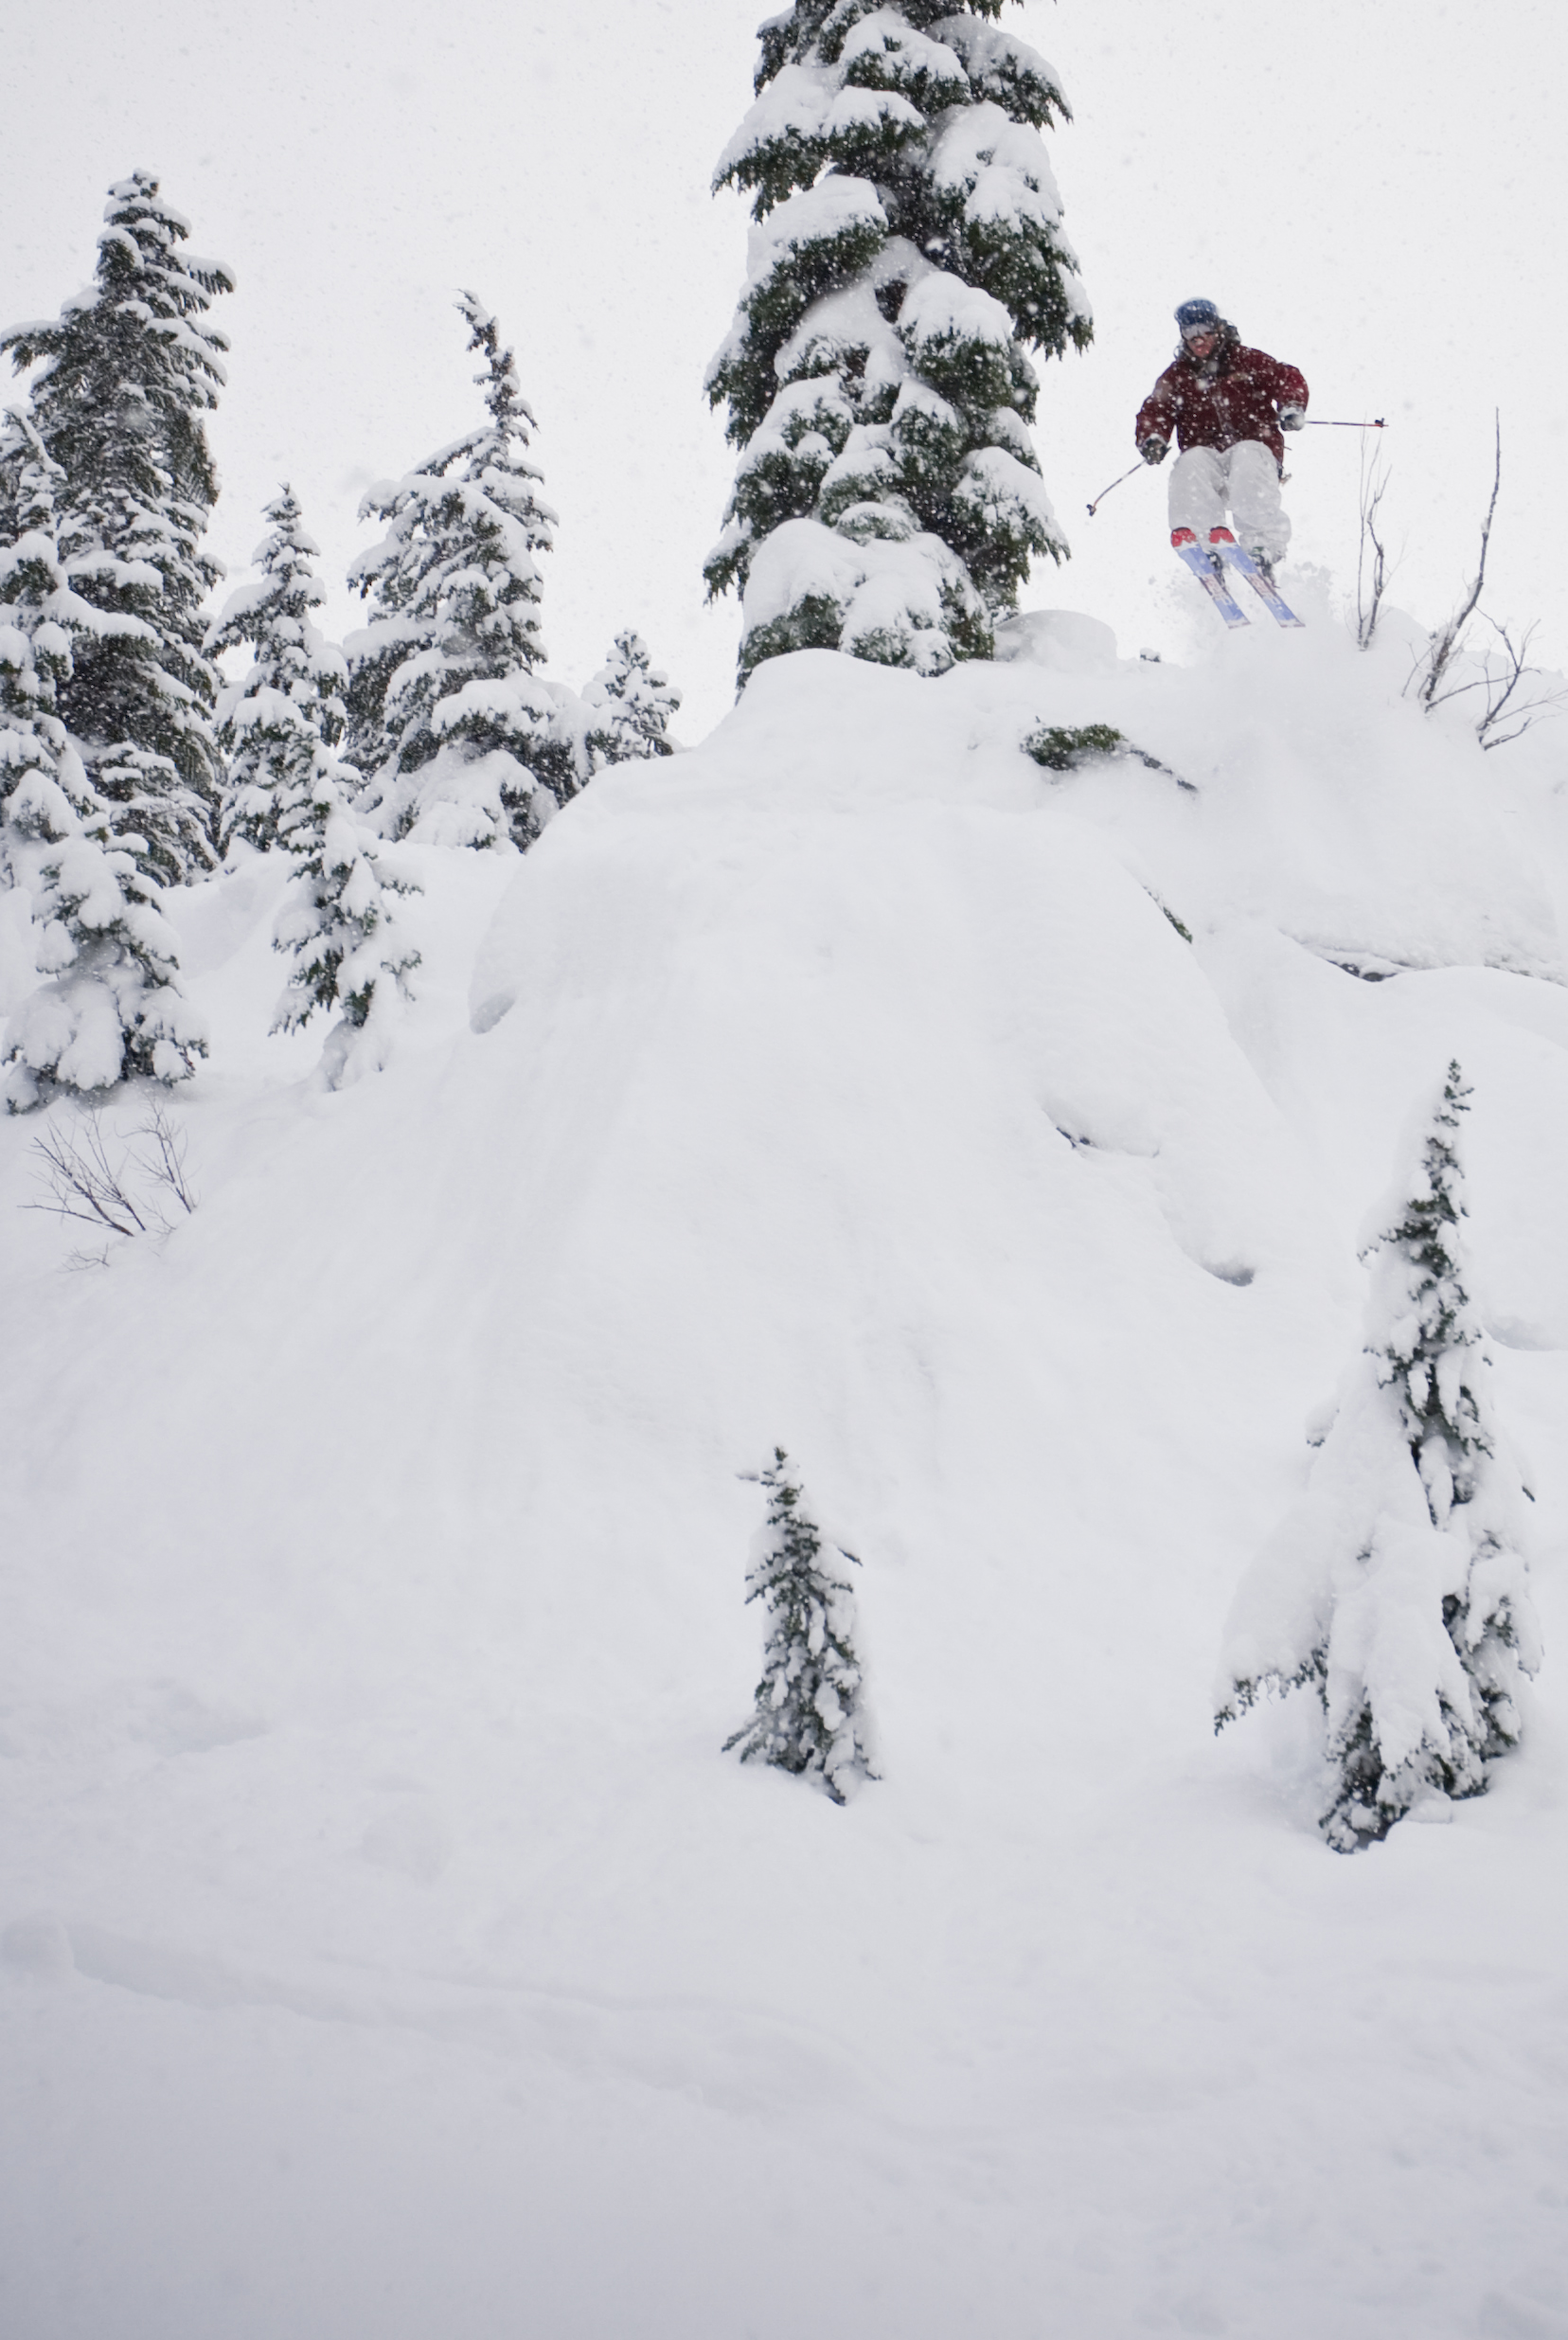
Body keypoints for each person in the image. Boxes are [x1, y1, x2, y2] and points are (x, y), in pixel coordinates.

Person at [1134, 298, 1308, 581]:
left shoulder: (1247, 361)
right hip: (1208, 458)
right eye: (1191, 336)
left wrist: (1291, 405)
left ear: (1218, 329)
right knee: (1189, 464)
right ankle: (1203, 545)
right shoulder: (1178, 377)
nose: (1199, 341)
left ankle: (1262, 545)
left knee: (1246, 457)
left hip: (1255, 447)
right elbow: (1156, 409)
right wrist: (1152, 438)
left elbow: (1286, 377)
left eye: (1205, 332)